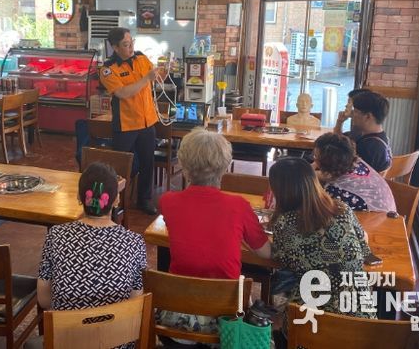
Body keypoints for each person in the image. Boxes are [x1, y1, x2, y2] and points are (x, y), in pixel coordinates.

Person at [157, 128, 271, 335]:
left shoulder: (167, 201)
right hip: (226, 322)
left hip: (175, 316)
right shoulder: (239, 206)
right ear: (226, 166)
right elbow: (265, 253)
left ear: (183, 166)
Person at [26, 162, 147, 349]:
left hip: (67, 343)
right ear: (116, 200)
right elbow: (135, 302)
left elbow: (44, 299)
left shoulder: (56, 235)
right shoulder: (134, 242)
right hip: (115, 344)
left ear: (78, 197)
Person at [269, 157, 375, 319]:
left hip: (312, 321)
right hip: (362, 319)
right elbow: (363, 245)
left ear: (280, 191)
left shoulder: (284, 224)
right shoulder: (342, 209)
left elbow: (281, 259)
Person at [99, 27, 160, 215]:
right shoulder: (108, 69)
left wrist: (160, 74)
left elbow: (154, 79)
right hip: (126, 124)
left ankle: (144, 200)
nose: (131, 47)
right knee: (120, 166)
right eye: (126, 45)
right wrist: (146, 79)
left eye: (132, 42)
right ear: (115, 47)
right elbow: (123, 93)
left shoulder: (141, 58)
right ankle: (115, 201)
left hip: (147, 122)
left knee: (148, 163)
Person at [313, 133, 396, 212]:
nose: (314, 161)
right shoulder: (357, 164)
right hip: (388, 214)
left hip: (372, 220)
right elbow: (331, 176)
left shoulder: (335, 192)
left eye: (316, 156)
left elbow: (320, 213)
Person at [334, 89, 392, 172]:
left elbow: (346, 174)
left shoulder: (367, 148)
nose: (353, 115)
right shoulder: (381, 138)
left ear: (368, 116)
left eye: (356, 111)